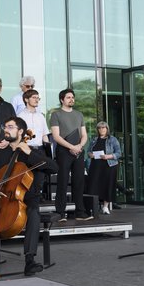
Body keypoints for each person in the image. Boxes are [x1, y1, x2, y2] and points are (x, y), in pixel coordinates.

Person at [0, 116, 58, 276]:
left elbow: (53, 167)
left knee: (33, 214)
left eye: (10, 127)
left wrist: (29, 152)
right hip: (3, 197)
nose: (6, 130)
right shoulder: (1, 154)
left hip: (27, 199)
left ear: (21, 131)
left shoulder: (33, 152)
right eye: (6, 127)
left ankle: (30, 261)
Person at [50, 88, 92, 221]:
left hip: (78, 151)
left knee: (79, 182)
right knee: (62, 181)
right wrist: (71, 147)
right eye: (68, 97)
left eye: (72, 97)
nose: (71, 99)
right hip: (63, 151)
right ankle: (60, 213)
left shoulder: (79, 115)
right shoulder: (56, 115)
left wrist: (79, 146)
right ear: (62, 99)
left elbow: (84, 135)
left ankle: (80, 212)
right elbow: (56, 136)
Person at [87, 121, 121, 214]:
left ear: (107, 129)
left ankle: (105, 207)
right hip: (95, 166)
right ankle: (94, 206)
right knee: (93, 186)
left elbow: (119, 153)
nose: (101, 129)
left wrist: (108, 156)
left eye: (103, 127)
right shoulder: (94, 139)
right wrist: (90, 155)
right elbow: (89, 151)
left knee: (107, 186)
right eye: (99, 128)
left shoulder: (112, 139)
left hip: (109, 166)